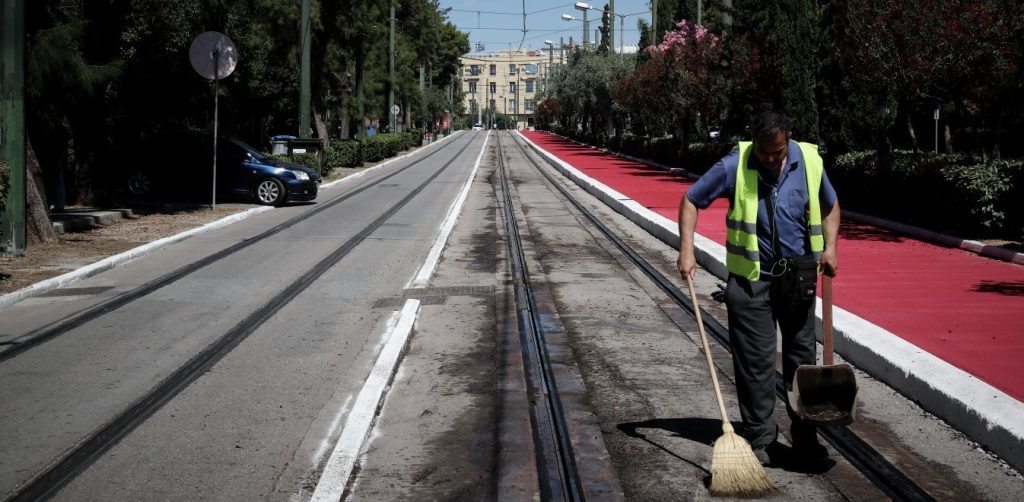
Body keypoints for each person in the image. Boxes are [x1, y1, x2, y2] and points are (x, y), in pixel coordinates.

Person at [676, 111, 840, 467]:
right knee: (755, 364)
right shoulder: (734, 164)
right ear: (755, 143)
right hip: (751, 281)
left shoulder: (809, 160)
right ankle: (760, 436)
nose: (771, 160)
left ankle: (805, 436)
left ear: (789, 139)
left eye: (777, 152)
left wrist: (831, 247)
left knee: (802, 363)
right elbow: (691, 200)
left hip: (798, 279)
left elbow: (830, 205)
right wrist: (686, 250)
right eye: (765, 153)